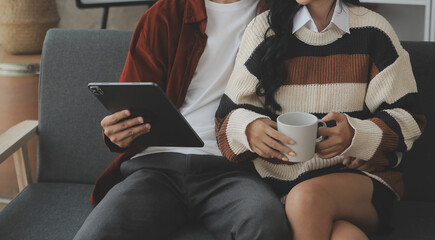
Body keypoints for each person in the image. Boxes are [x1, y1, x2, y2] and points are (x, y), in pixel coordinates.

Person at [73, 0, 293, 239]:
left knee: (266, 223)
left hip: (234, 169)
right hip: (156, 169)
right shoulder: (165, 15)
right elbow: (129, 102)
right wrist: (118, 133)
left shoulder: (279, 14)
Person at [215, 0, 427, 239]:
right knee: (347, 237)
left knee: (307, 198)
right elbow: (225, 121)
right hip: (278, 185)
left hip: (357, 184)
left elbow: (409, 119)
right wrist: (248, 129)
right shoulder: (264, 29)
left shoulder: (373, 29)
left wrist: (357, 137)